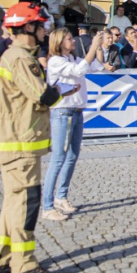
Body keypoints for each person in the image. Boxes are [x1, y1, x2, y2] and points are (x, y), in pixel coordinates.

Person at [0, 2, 69, 273]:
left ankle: (1, 256)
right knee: (26, 201)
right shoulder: (21, 57)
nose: (44, 30)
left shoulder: (15, 55)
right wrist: (58, 91)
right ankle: (24, 264)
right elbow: (43, 96)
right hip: (20, 141)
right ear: (26, 28)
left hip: (14, 139)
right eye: (39, 25)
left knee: (13, 200)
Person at [42, 27, 103, 221]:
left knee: (72, 155)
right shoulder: (56, 61)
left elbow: (95, 67)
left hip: (77, 111)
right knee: (59, 157)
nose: (73, 41)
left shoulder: (72, 58)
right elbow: (79, 71)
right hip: (62, 112)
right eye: (69, 38)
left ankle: (61, 196)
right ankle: (47, 205)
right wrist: (93, 46)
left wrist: (99, 47)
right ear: (60, 42)